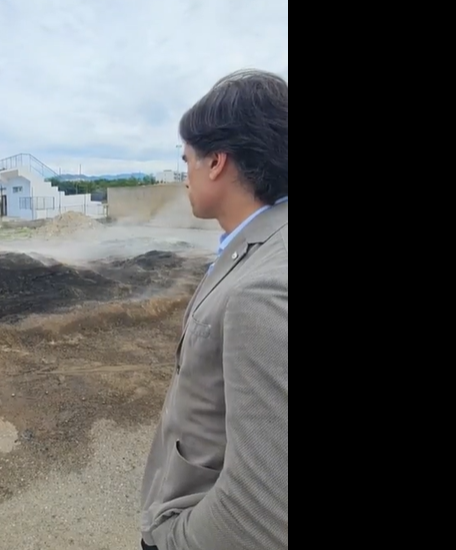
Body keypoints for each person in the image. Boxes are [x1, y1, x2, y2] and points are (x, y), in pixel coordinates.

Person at [140, 69, 288, 550]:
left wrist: (172, 539)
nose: (184, 176)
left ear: (217, 162)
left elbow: (261, 512)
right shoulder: (262, 243)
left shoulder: (260, 290)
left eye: (186, 161)